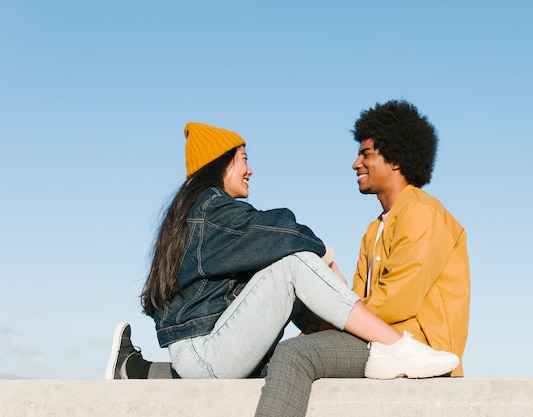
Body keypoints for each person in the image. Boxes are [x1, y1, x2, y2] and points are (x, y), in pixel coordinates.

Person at [105, 120, 460, 381]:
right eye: (243, 158)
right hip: (207, 356)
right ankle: (397, 347)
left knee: (286, 278)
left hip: (198, 353)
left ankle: (133, 370)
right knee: (295, 264)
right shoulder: (212, 209)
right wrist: (324, 254)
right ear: (222, 162)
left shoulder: (196, 210)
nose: (249, 169)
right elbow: (281, 230)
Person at [254, 99, 471, 416]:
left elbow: (398, 300)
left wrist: (323, 326)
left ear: (395, 159)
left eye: (366, 154)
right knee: (271, 351)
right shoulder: (375, 229)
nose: (356, 164)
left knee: (294, 354)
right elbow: (355, 299)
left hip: (415, 346)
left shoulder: (422, 213)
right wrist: (317, 323)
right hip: (379, 339)